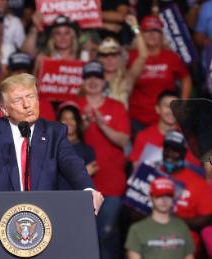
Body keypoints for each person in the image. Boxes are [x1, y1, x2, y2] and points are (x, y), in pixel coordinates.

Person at [0, 73, 103, 215]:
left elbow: (72, 165)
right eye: (17, 100)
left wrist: (87, 189)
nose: (27, 104)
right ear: (4, 110)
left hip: (45, 219)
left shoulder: (54, 133)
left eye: (30, 96)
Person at [76, 61, 130, 259]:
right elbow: (65, 139)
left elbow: (124, 140)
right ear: (83, 81)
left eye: (96, 77)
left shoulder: (116, 106)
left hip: (112, 185)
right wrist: (84, 125)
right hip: (82, 185)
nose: (92, 81)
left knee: (107, 234)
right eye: (88, 77)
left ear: (103, 80)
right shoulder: (75, 107)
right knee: (83, 239)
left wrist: (101, 125)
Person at [128, 15, 192, 133]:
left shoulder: (171, 57)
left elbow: (186, 77)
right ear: (141, 35)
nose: (151, 34)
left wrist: (183, 102)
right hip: (137, 118)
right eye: (147, 31)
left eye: (156, 31)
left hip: (166, 117)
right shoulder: (131, 56)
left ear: (162, 35)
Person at [161, 130, 212, 255]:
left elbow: (207, 218)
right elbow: (131, 211)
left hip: (184, 246)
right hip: (151, 242)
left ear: (183, 154)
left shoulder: (198, 182)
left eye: (175, 151)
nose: (169, 154)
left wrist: (174, 220)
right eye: (167, 149)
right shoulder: (150, 174)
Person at [125, 177, 194, 259]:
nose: (164, 200)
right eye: (159, 196)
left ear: (173, 198)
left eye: (168, 196)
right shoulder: (137, 229)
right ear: (150, 197)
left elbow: (189, 256)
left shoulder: (182, 226)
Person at [97, 15, 148, 109]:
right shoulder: (92, 80)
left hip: (120, 123)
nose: (109, 60)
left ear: (120, 58)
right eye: (105, 56)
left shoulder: (127, 79)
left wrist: (135, 27)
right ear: (99, 59)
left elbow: (143, 56)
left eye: (113, 55)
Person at [56, 102, 97, 190]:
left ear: (77, 121)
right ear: (58, 121)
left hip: (78, 197)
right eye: (64, 118)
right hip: (56, 196)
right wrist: (80, 172)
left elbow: (92, 170)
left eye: (72, 118)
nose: (68, 122)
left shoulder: (87, 150)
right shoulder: (52, 147)